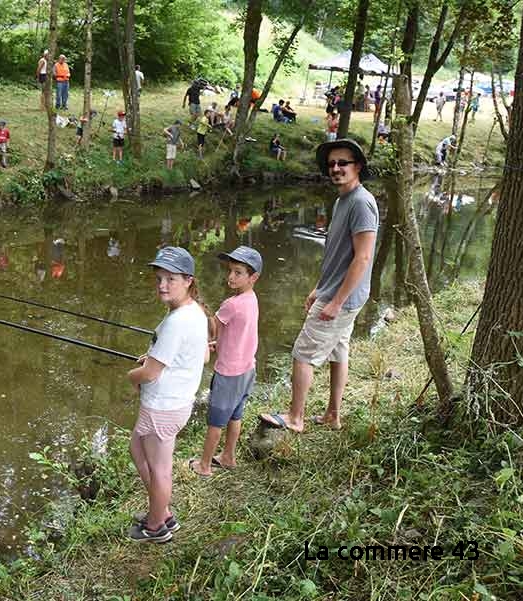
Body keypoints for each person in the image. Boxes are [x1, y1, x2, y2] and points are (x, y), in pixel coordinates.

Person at [260, 139, 379, 433]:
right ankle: (333, 415)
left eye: (343, 163)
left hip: (343, 298)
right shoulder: (342, 200)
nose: (336, 168)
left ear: (358, 167)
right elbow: (338, 254)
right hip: (338, 292)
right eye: (332, 164)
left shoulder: (362, 203)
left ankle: (295, 418)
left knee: (303, 354)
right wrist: (318, 288)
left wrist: (336, 301)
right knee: (339, 351)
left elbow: (362, 258)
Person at [127, 246, 209, 543]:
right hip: (174, 402)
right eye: (159, 278)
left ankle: (156, 526)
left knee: (160, 469)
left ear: (188, 280)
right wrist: (152, 356)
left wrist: (132, 376)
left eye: (170, 279)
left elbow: (149, 374)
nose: (162, 285)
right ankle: (162, 511)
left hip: (163, 405)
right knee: (136, 449)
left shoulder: (177, 321)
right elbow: (200, 357)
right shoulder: (195, 312)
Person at [190, 246, 261, 477]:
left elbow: (210, 329)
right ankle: (229, 456)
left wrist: (198, 310)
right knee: (235, 415)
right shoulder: (251, 299)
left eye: (238, 273)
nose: (230, 277)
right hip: (247, 369)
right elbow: (236, 334)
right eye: (230, 271)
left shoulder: (231, 304)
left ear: (253, 277)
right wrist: (218, 345)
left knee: (215, 421)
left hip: (228, 374)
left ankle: (205, 465)